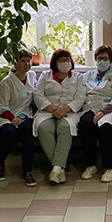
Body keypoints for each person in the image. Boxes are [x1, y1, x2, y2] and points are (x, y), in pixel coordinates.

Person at [33, 49, 85, 184]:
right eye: (62, 60)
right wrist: (53, 109)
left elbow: (80, 97)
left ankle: (56, 168)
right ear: (55, 63)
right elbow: (37, 94)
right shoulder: (45, 75)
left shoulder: (78, 77)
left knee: (65, 128)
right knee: (44, 128)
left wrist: (64, 109)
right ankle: (60, 167)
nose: (65, 62)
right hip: (47, 111)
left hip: (69, 112)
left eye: (68, 59)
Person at [79, 45, 112, 183]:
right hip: (90, 109)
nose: (102, 61)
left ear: (110, 60)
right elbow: (81, 94)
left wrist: (103, 111)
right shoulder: (87, 76)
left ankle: (109, 168)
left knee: (106, 126)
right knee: (86, 124)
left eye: (105, 58)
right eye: (99, 58)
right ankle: (91, 165)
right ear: (95, 60)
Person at [0, 48, 37, 186]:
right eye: (23, 61)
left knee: (27, 132)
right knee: (9, 133)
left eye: (29, 61)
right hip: (6, 116)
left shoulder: (32, 76)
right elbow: (2, 106)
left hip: (25, 114)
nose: (27, 64)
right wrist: (12, 119)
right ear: (15, 63)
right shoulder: (6, 83)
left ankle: (27, 171)